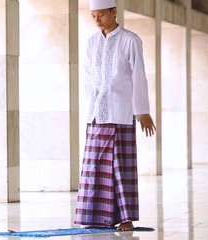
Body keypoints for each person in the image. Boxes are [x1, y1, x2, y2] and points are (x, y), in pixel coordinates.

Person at [74, 0, 156, 231]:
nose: (97, 20)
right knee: (94, 168)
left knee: (120, 168)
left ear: (114, 12)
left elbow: (139, 76)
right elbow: (88, 81)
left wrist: (142, 112)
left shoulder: (131, 40)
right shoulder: (91, 42)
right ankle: (93, 217)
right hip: (95, 116)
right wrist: (90, 109)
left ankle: (125, 218)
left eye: (101, 14)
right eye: (93, 16)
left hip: (120, 114)